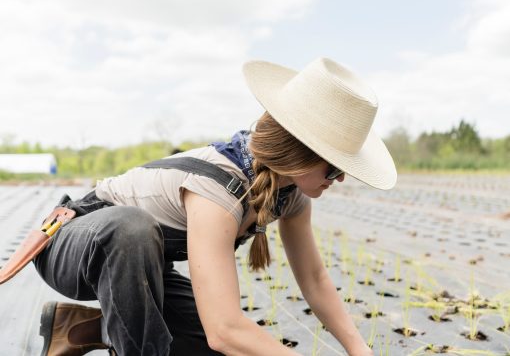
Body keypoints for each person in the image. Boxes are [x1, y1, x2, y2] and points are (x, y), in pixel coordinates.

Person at [35, 57, 397, 356]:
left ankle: (80, 327)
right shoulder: (217, 188)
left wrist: (359, 350)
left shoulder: (292, 197)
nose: (341, 178)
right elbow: (224, 329)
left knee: (219, 350)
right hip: (71, 245)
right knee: (133, 230)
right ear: (299, 155)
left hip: (142, 273)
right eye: (334, 167)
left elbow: (315, 279)